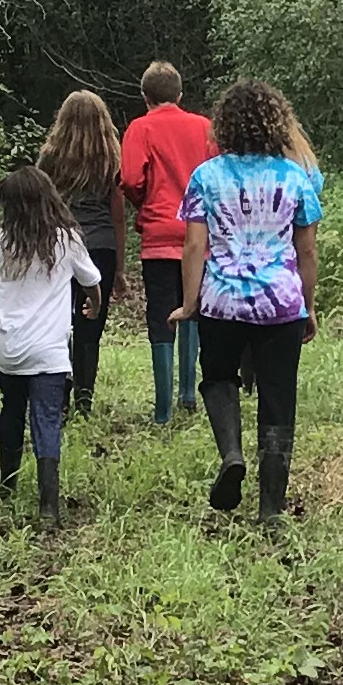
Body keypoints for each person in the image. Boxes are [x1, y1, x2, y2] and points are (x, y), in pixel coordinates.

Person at [176, 78, 322, 524]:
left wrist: (189, 302)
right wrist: (308, 306)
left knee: (218, 377)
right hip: (280, 304)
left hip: (221, 301)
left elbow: (194, 246)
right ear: (275, 124)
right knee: (279, 398)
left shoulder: (207, 176)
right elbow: (308, 251)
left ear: (224, 125)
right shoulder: (295, 177)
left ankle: (232, 454)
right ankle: (271, 509)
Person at [0, 164, 103, 528]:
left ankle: (7, 486)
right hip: (50, 353)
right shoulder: (67, 238)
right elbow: (91, 280)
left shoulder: (4, 240)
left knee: (11, 411)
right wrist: (95, 304)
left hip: (10, 349)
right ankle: (48, 507)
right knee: (47, 420)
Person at [117, 59, 216, 427]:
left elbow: (129, 178)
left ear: (145, 96)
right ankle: (189, 393)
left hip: (159, 235)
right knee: (193, 309)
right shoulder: (205, 128)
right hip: (199, 236)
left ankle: (162, 411)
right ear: (180, 94)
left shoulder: (140, 128)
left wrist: (145, 203)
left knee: (161, 316)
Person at [35, 88, 132, 418]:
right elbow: (118, 214)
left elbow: (41, 205)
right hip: (100, 246)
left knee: (58, 321)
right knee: (90, 326)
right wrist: (119, 267)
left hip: (60, 246)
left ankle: (60, 394)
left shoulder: (50, 158)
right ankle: (85, 401)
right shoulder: (111, 160)